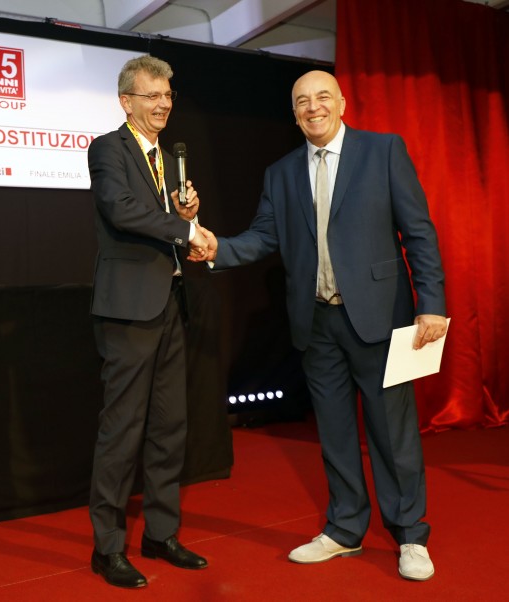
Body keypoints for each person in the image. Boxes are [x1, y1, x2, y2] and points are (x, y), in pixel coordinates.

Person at [202, 70, 447, 581]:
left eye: (321, 97)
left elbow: (419, 231)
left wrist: (431, 304)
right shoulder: (280, 172)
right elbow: (263, 236)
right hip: (315, 322)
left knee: (392, 434)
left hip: (380, 318)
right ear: (294, 114)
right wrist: (216, 248)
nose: (313, 107)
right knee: (334, 433)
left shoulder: (383, 151)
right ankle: (344, 529)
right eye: (302, 101)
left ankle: (410, 535)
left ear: (341, 103)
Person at [86, 54, 211, 589]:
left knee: (169, 427)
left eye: (167, 96)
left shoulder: (168, 157)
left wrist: (185, 216)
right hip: (128, 310)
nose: (163, 105)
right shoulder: (107, 149)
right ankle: (108, 548)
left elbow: (162, 221)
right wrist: (185, 232)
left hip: (171, 304)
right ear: (126, 101)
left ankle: (161, 534)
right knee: (122, 431)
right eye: (152, 96)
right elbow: (120, 209)